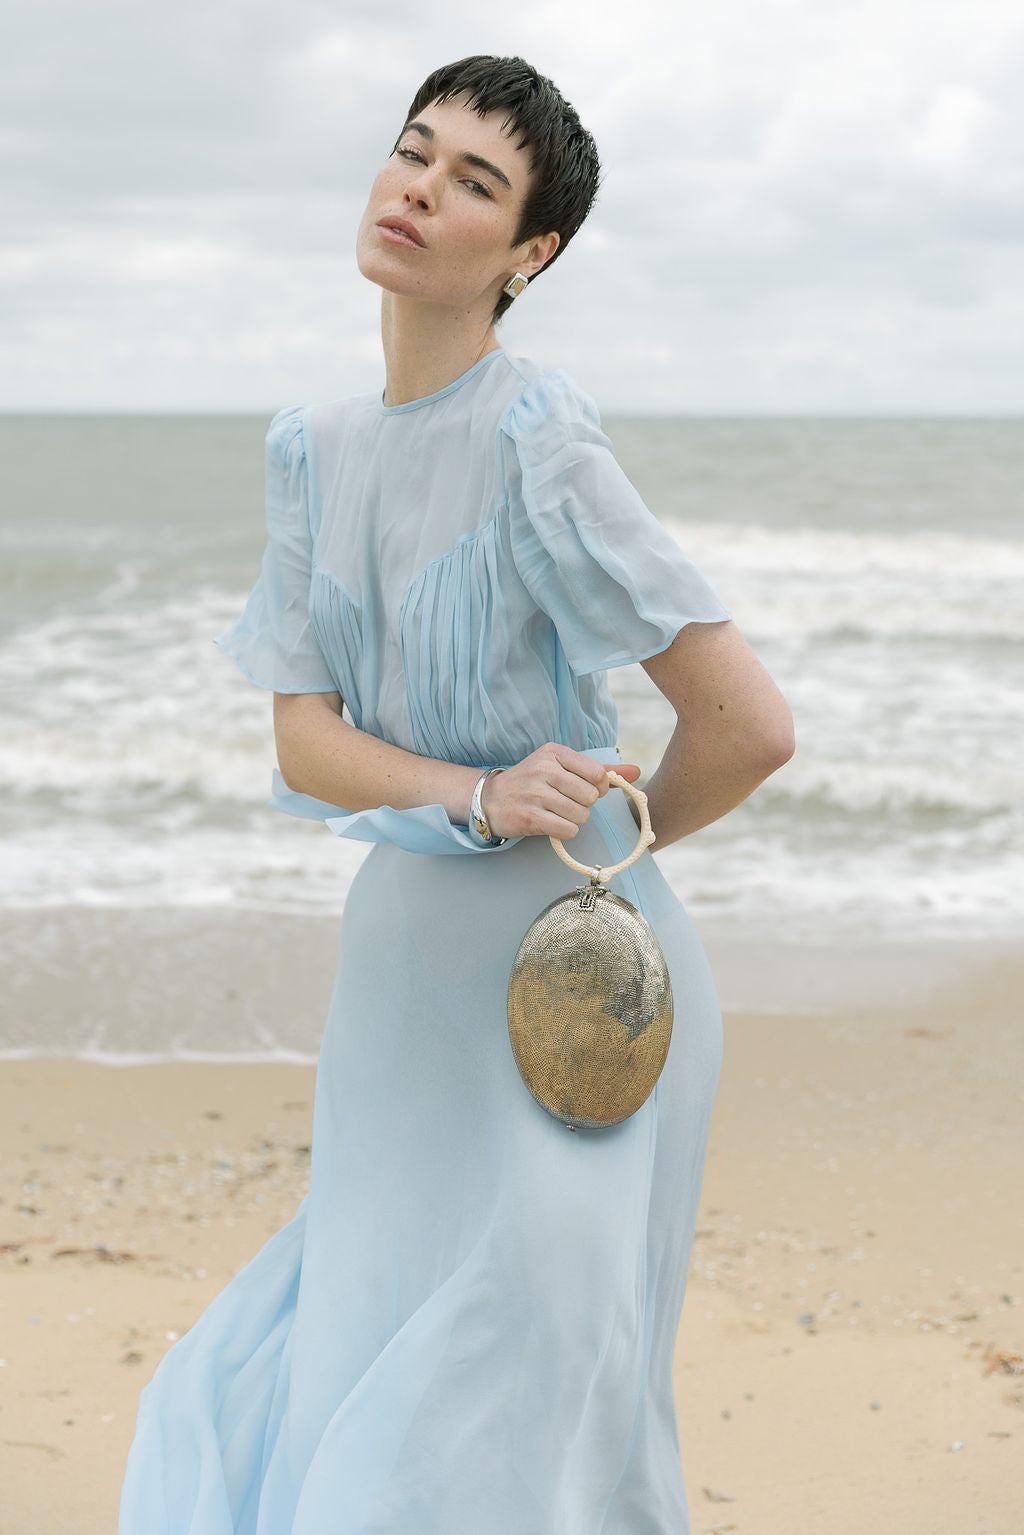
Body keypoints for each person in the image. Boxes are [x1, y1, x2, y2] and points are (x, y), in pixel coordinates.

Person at [119, 54, 794, 1534]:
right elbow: (304, 740)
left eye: (474, 181)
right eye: (412, 153)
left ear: (530, 252)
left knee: (521, 1404)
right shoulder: (312, 452)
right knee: (359, 1355)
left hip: (577, 1006)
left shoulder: (540, 438)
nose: (418, 189)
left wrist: (612, 864)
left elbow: (745, 725)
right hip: (401, 993)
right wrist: (480, 794)